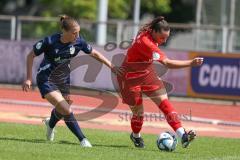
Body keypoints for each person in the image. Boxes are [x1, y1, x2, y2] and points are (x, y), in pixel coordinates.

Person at [22, 15, 122, 147]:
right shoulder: (50, 41)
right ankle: (83, 140)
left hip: (63, 79)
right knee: (67, 109)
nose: (78, 35)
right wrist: (28, 78)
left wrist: (112, 66)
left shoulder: (79, 42)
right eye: (75, 33)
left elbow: (95, 54)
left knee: (63, 108)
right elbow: (31, 55)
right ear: (65, 32)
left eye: (79, 32)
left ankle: (50, 124)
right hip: (46, 79)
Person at [117, 16, 203, 148]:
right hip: (130, 78)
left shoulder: (149, 33)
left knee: (165, 103)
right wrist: (191, 63)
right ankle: (135, 136)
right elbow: (167, 63)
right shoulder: (146, 43)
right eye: (162, 38)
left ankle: (183, 135)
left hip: (147, 73)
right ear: (154, 32)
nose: (164, 41)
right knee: (138, 114)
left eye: (167, 37)